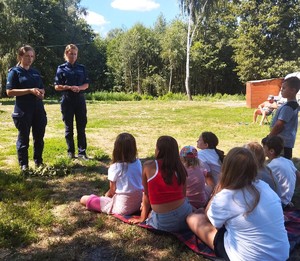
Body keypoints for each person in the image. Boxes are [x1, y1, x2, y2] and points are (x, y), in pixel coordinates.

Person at [186, 147, 289, 261]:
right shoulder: (265, 186)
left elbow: (209, 218)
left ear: (226, 169)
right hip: (281, 255)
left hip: (245, 257)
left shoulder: (226, 196)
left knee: (193, 218)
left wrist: (219, 188)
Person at [129, 136, 192, 232]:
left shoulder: (148, 166)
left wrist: (142, 217)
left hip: (163, 223)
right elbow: (183, 196)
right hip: (185, 217)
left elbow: (146, 195)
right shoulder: (180, 168)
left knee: (151, 215)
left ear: (158, 150)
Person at [6, 45, 47, 171]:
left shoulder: (35, 72)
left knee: (39, 137)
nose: (30, 59)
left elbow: (42, 88)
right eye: (27, 56)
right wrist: (29, 90)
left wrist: (41, 92)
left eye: (32, 56)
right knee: (23, 138)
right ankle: (24, 165)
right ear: (20, 56)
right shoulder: (14, 72)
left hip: (38, 109)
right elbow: (9, 92)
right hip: (23, 110)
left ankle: (39, 162)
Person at [80, 133, 143, 215]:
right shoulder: (138, 163)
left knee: (83, 199)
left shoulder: (115, 167)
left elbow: (112, 191)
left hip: (123, 208)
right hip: (139, 203)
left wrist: (105, 197)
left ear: (116, 150)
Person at [54, 44, 89, 160]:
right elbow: (57, 86)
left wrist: (79, 88)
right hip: (67, 99)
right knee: (68, 128)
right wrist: (69, 87)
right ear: (66, 54)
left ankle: (82, 152)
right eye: (71, 53)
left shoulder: (82, 68)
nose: (73, 56)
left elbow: (86, 84)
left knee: (81, 127)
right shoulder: (61, 68)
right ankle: (70, 152)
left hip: (79, 100)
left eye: (75, 54)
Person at [266, 76, 300, 159]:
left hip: (281, 143)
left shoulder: (288, 107)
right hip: (286, 142)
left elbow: (279, 125)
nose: (281, 90)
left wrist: (269, 138)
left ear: (292, 90)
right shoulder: (293, 105)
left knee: (280, 163)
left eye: (284, 88)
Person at [262, 136, 299, 208]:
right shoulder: (288, 161)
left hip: (279, 202)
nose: (262, 149)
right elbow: (298, 176)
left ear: (271, 151)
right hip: (287, 200)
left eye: (264, 147)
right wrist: (289, 195)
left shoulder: (271, 166)